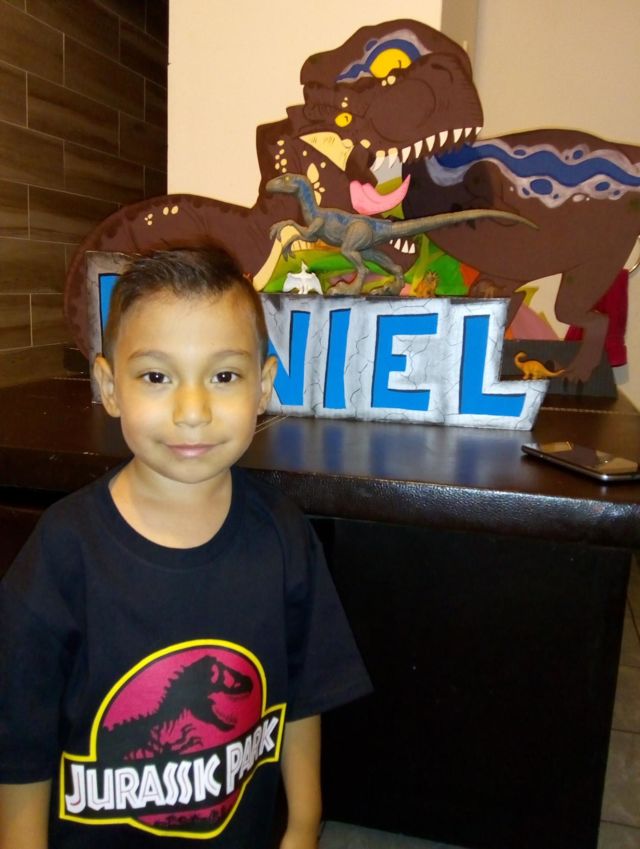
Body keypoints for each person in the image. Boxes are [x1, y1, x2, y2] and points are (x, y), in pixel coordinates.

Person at [0, 247, 371, 849]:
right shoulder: (65, 550)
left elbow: (304, 696)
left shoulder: (283, 535)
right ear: (109, 386)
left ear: (263, 387)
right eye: (156, 376)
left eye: (223, 377)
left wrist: (304, 823)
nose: (192, 412)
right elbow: (20, 736)